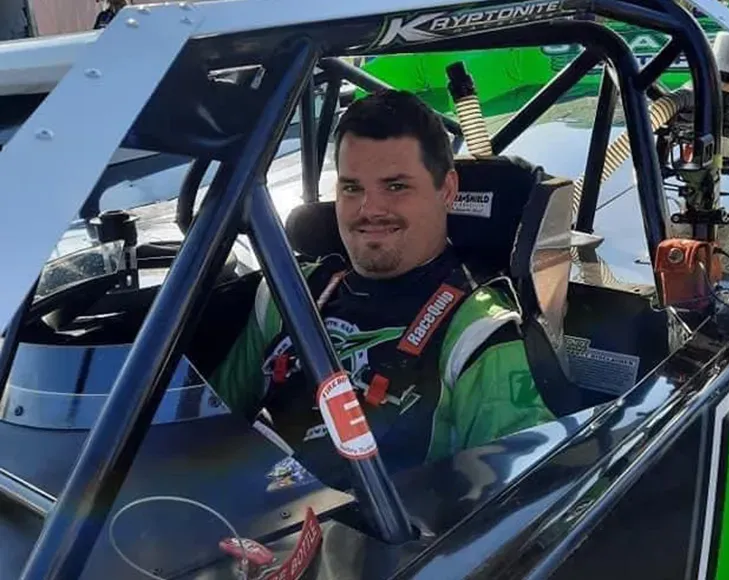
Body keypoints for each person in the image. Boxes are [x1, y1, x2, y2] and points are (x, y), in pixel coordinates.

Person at [208, 89, 555, 489]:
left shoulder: (478, 332)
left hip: (380, 526)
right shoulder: (285, 293)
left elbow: (526, 496)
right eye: (352, 188)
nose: (369, 210)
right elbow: (207, 431)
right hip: (235, 511)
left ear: (447, 190)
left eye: (395, 186)